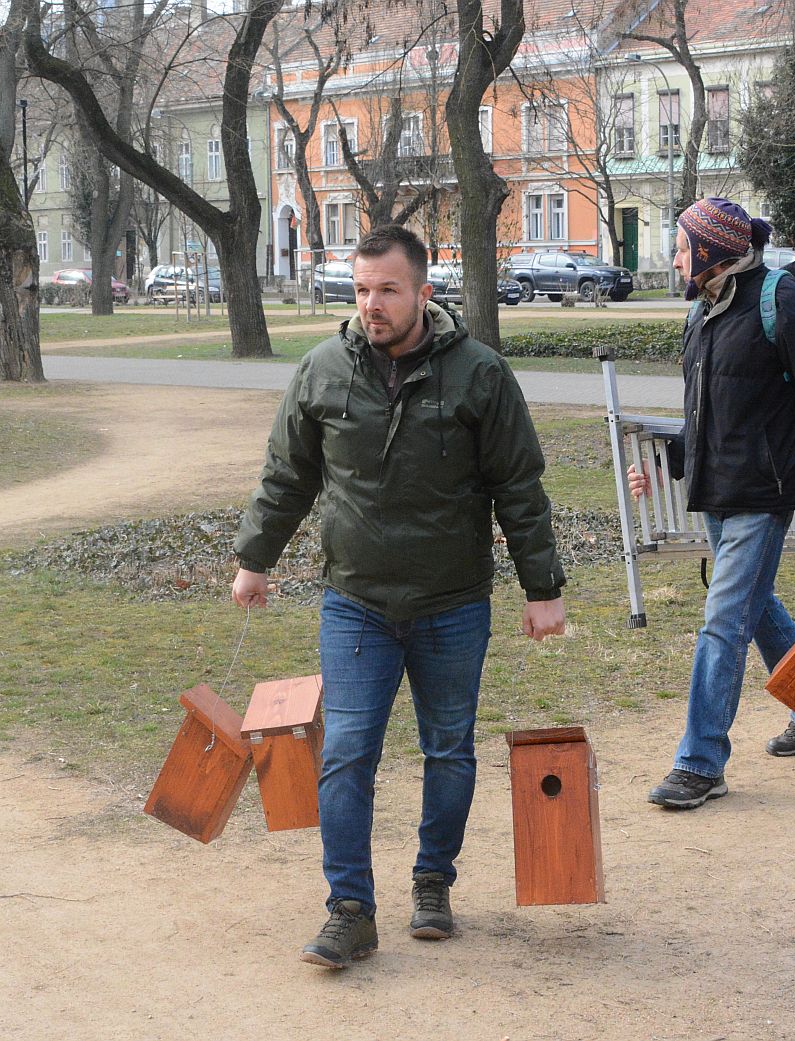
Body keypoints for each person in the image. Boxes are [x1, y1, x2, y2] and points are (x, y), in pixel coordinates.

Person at [231, 223, 567, 969]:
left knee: (448, 749)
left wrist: (542, 588)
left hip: (453, 601)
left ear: (423, 291)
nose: (371, 304)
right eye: (361, 290)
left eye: (387, 289)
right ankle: (349, 909)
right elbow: (287, 475)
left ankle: (433, 882)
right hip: (356, 602)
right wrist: (255, 559)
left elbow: (519, 487)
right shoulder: (322, 370)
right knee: (347, 753)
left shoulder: (480, 374)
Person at [627, 197, 795, 809]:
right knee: (752, 608)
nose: (674, 259)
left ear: (709, 250)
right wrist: (669, 462)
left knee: (723, 619)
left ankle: (700, 763)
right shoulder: (702, 310)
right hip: (718, 489)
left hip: (765, 493)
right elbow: (708, 406)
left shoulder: (785, 300)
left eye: (681, 247)